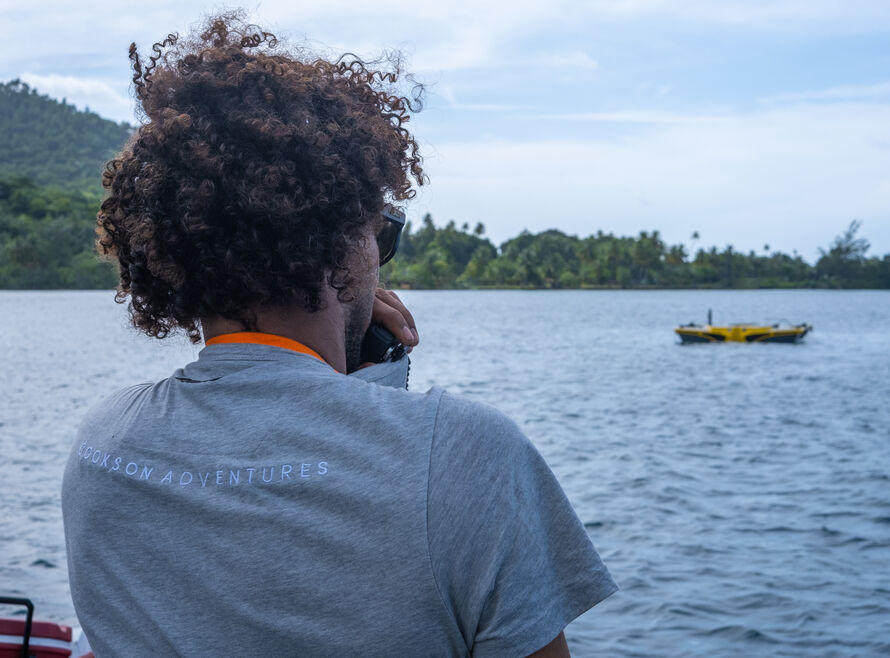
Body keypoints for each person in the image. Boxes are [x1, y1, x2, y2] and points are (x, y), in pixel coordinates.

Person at [61, 13, 617, 656]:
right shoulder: (466, 455)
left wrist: (352, 377)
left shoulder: (100, 446)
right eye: (381, 233)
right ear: (344, 242)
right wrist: (373, 376)